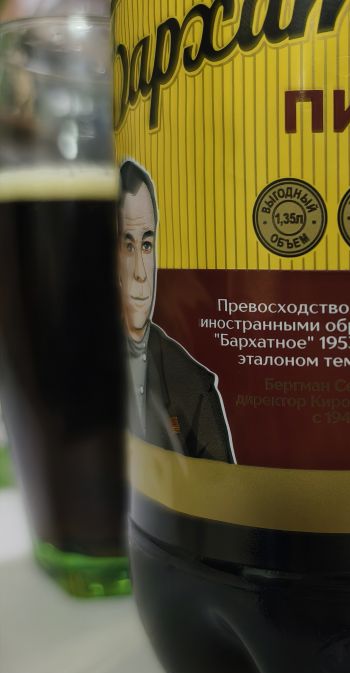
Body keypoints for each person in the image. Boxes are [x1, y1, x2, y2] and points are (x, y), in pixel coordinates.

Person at [118, 159, 235, 463]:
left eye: (146, 245)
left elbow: (222, 486)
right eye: (127, 246)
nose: (141, 273)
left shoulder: (192, 383)